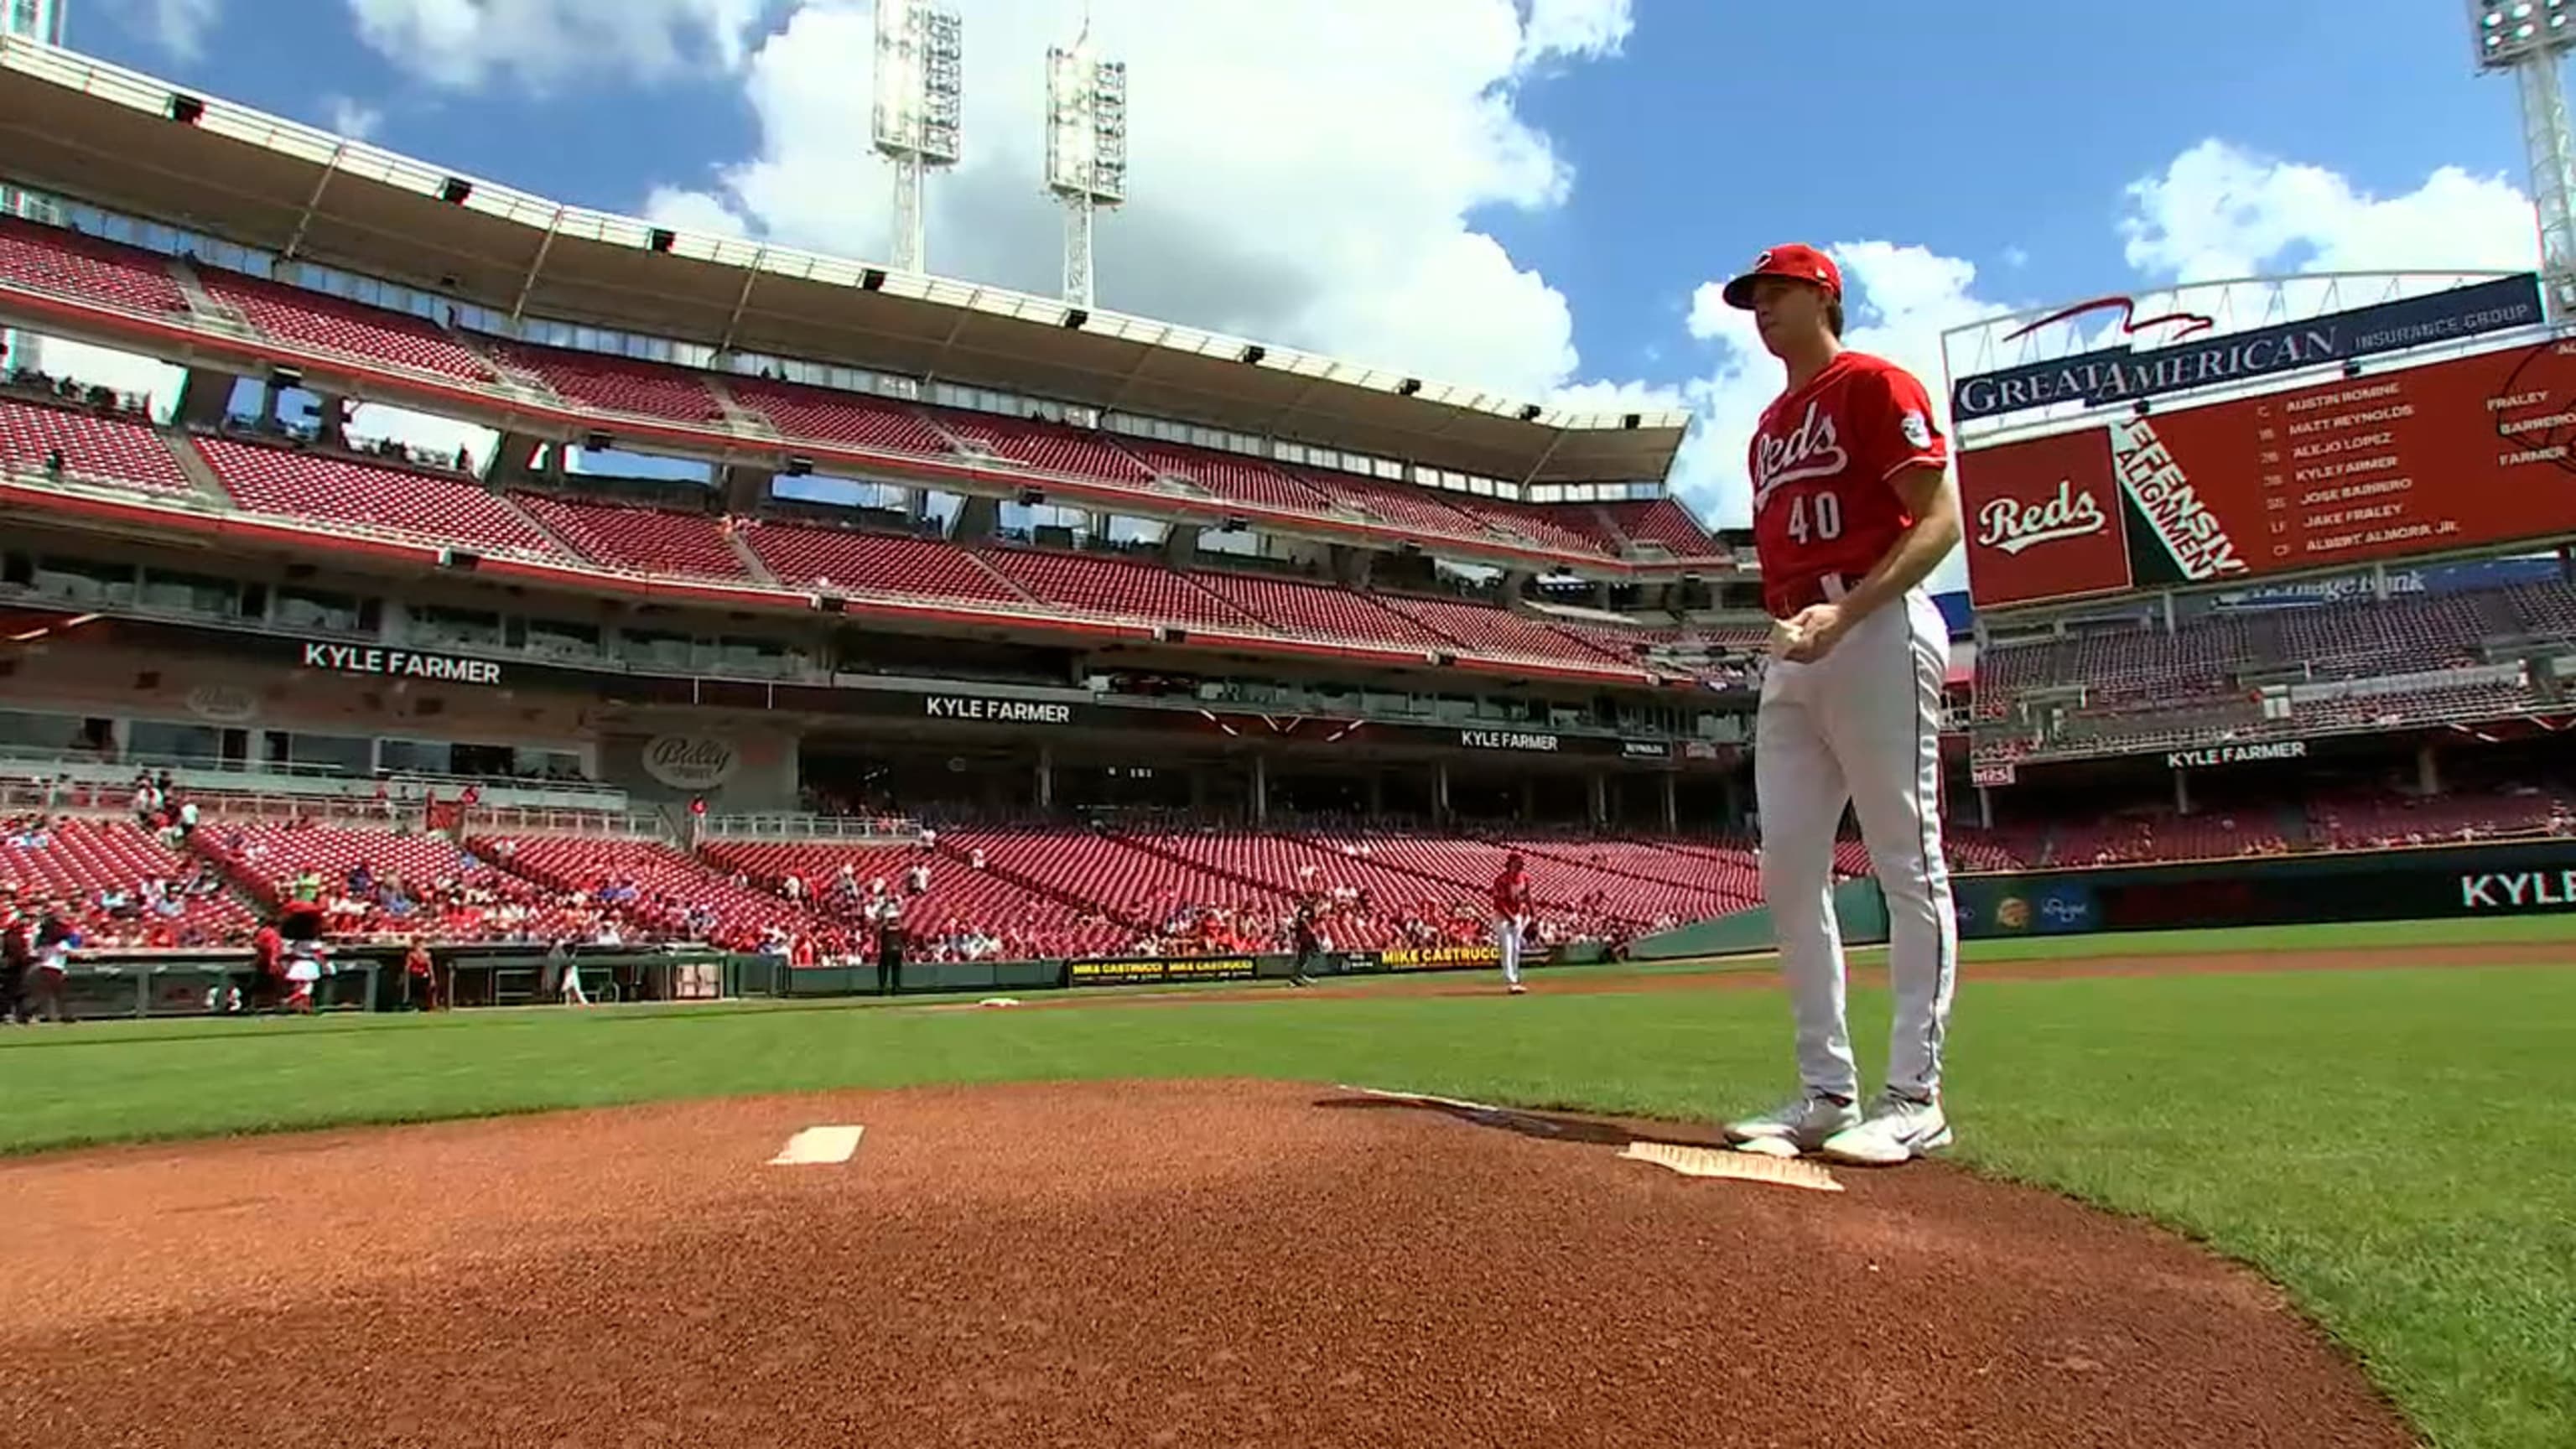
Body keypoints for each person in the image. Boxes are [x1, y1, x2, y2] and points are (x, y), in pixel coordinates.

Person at [1714, 243, 1964, 1167]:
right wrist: (1800, 623)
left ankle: (1915, 1098)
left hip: (1875, 622)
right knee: (1788, 872)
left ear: (1824, 295)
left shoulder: (1874, 384)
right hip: (1796, 643)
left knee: (1906, 858)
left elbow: (1937, 520)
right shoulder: (1769, 427)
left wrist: (1848, 608)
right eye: (1753, 299)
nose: (1760, 310)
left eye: (1774, 292)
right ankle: (1826, 1092)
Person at [1490, 853, 1530, 995]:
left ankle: (1516, 977)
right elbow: (1499, 903)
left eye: (1522, 863)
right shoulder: (1501, 880)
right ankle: (1511, 981)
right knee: (1507, 947)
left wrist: (1532, 912)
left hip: (1517, 915)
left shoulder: (1525, 878)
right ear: (1511, 863)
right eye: (1518, 862)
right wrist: (1510, 917)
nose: (1521, 865)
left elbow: (1527, 895)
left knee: (1516, 948)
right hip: (1501, 916)